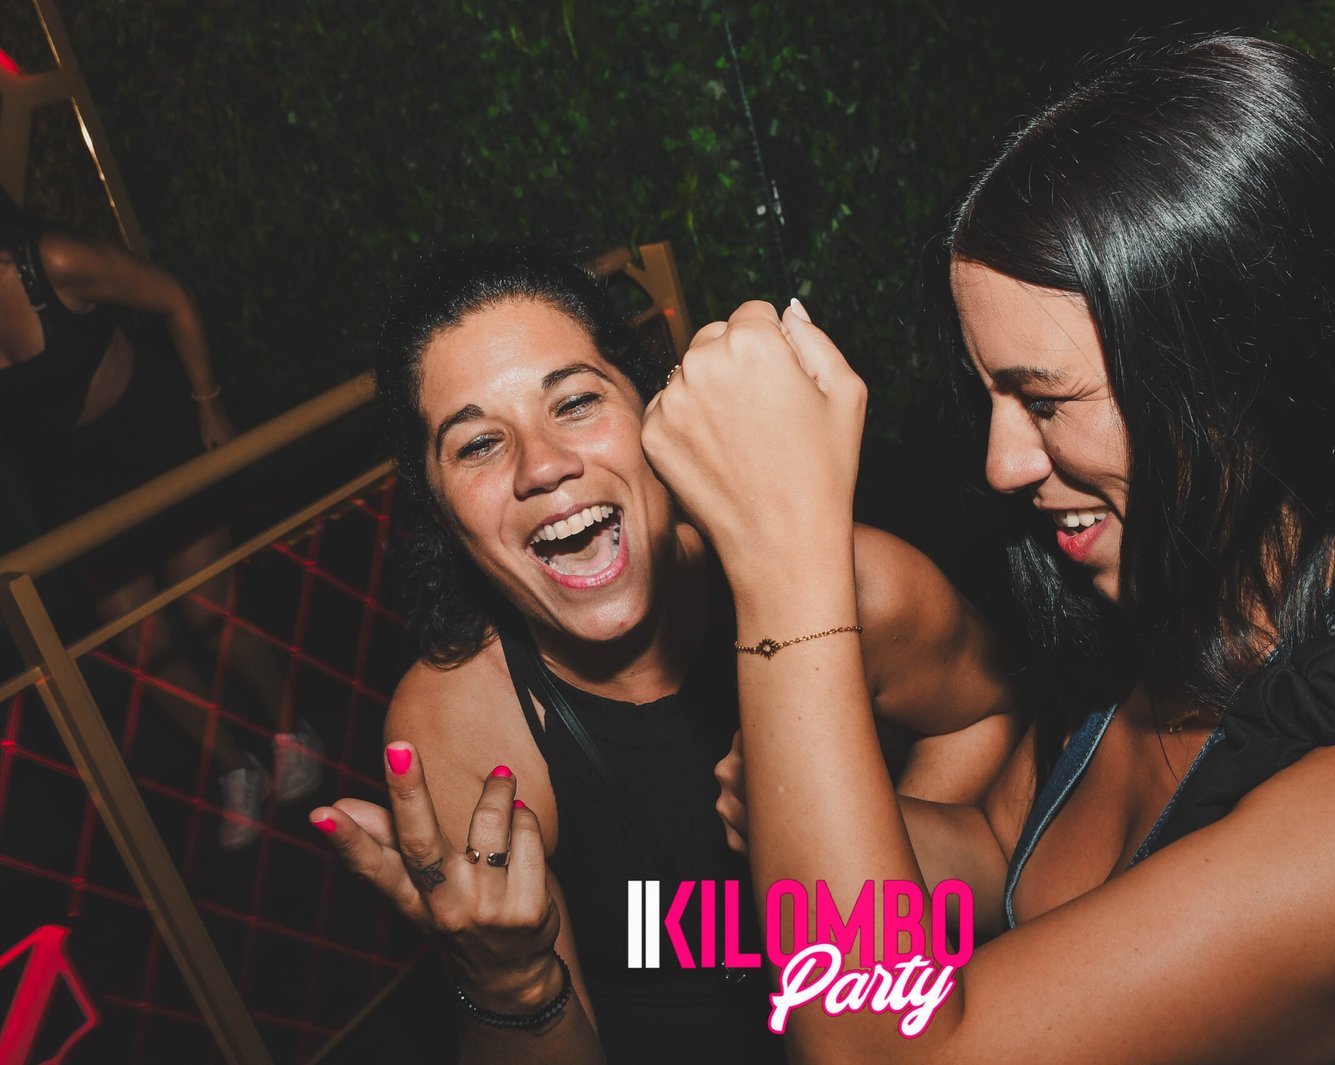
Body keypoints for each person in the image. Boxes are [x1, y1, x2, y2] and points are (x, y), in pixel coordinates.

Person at [645, 36, 1335, 1065]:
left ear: (1243, 377)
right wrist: (811, 806)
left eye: (1044, 399)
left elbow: (890, 1051)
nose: (1003, 463)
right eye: (991, 396)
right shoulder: (1164, 612)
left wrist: (785, 565)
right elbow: (1018, 857)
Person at [310, 243, 1022, 1063]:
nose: (543, 465)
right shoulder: (466, 725)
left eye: (575, 401)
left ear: (654, 410)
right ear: (442, 514)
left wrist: (862, 851)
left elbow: (992, 715)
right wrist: (515, 987)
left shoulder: (839, 586)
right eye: (477, 445)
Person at [0, 188, 320, 848]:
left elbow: (173, 296)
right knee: (142, 648)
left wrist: (209, 403)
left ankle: (293, 731)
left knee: (210, 616)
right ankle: (236, 767)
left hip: (148, 439)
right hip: (72, 484)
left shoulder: (53, 260)